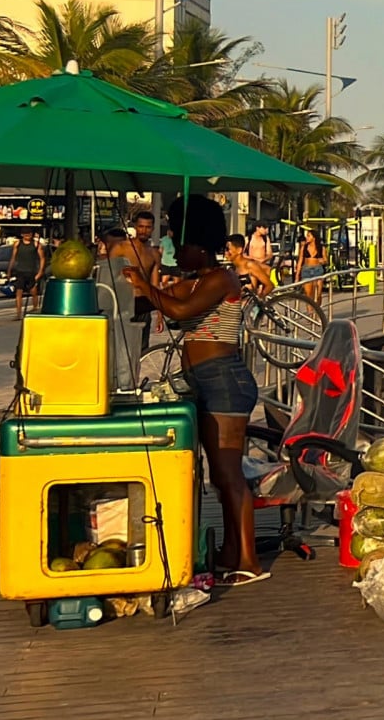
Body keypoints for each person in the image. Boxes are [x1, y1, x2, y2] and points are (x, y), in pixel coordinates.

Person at [123, 195, 264, 587]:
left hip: (224, 379)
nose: (172, 246)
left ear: (197, 244)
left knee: (229, 473)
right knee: (216, 476)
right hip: (203, 379)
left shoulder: (222, 278)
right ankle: (231, 552)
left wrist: (144, 285)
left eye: (177, 240)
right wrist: (152, 282)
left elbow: (180, 311)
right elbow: (173, 300)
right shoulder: (198, 279)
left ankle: (249, 560)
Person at [109, 211, 161, 350]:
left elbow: (155, 286)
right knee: (120, 348)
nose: (144, 230)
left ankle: (137, 372)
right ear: (135, 227)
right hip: (124, 304)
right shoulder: (121, 248)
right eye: (141, 226)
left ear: (153, 228)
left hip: (144, 305)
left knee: (142, 349)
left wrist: (160, 315)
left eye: (148, 227)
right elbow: (109, 277)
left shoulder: (154, 254)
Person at [6, 228, 45, 320]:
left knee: (34, 292)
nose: (28, 236)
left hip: (31, 271)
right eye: (26, 234)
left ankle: (35, 309)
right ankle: (18, 314)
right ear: (22, 235)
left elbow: (42, 258)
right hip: (20, 271)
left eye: (29, 234)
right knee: (18, 292)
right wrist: (9, 270)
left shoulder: (36, 244)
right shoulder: (18, 244)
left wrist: (40, 272)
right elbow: (13, 258)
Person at [296, 227, 328, 304]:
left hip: (317, 269)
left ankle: (317, 312)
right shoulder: (304, 247)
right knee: (308, 295)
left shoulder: (321, 248)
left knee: (318, 294)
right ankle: (310, 314)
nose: (307, 238)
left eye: (308, 236)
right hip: (306, 269)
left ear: (314, 238)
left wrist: (322, 261)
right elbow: (300, 261)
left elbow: (326, 260)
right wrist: (297, 274)